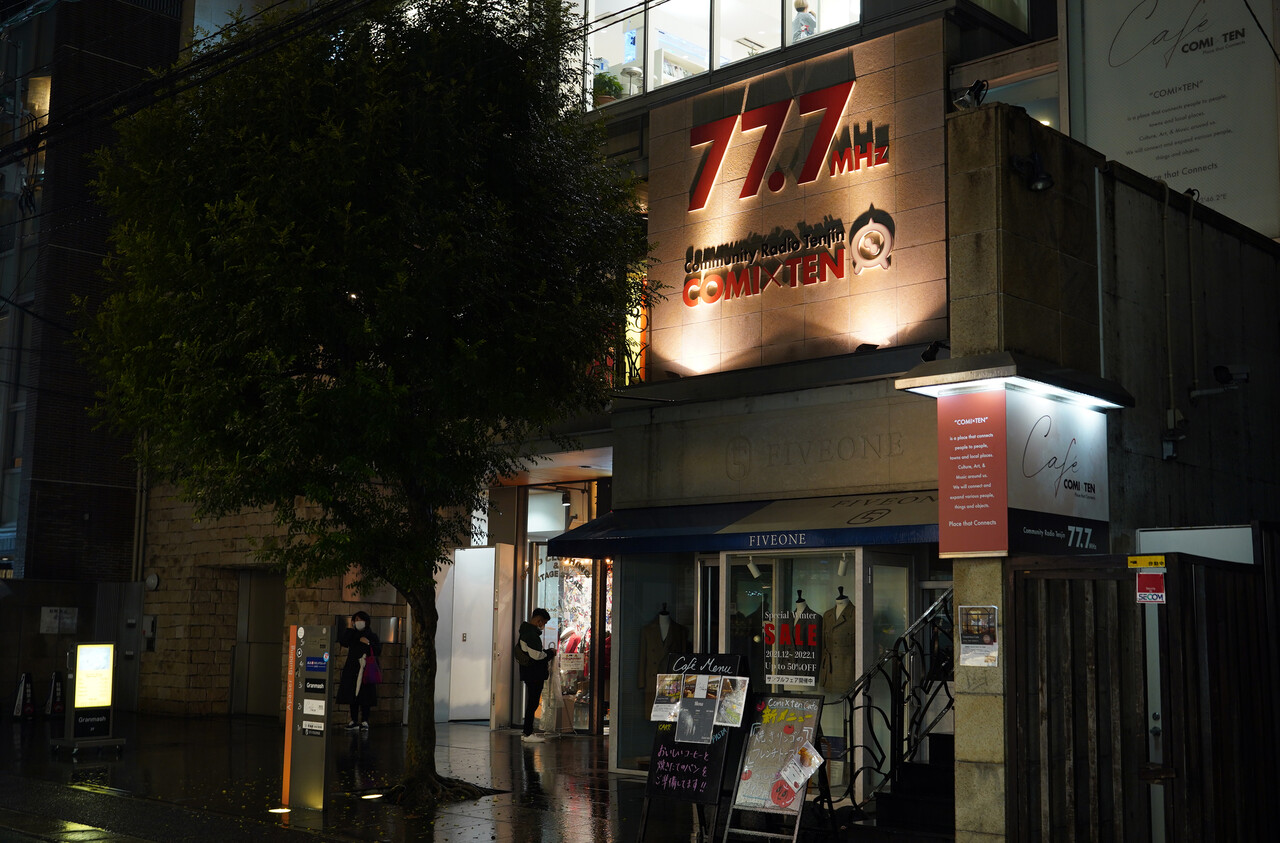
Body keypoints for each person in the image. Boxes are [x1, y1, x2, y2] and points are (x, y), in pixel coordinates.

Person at [336, 610, 381, 731]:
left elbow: (378, 650)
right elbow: (343, 641)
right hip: (353, 668)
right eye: (356, 620)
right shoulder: (352, 635)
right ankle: (354, 720)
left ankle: (365, 720)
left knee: (366, 695)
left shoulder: (371, 635)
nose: (358, 622)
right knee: (353, 694)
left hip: (366, 668)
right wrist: (350, 628)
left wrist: (368, 643)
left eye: (361, 620)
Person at [516, 607, 555, 743]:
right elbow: (537, 655)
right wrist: (550, 653)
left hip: (529, 673)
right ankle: (527, 733)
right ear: (539, 620)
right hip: (534, 674)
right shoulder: (530, 634)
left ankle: (527, 732)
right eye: (544, 622)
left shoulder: (526, 632)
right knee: (532, 703)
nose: (543, 625)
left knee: (532, 703)